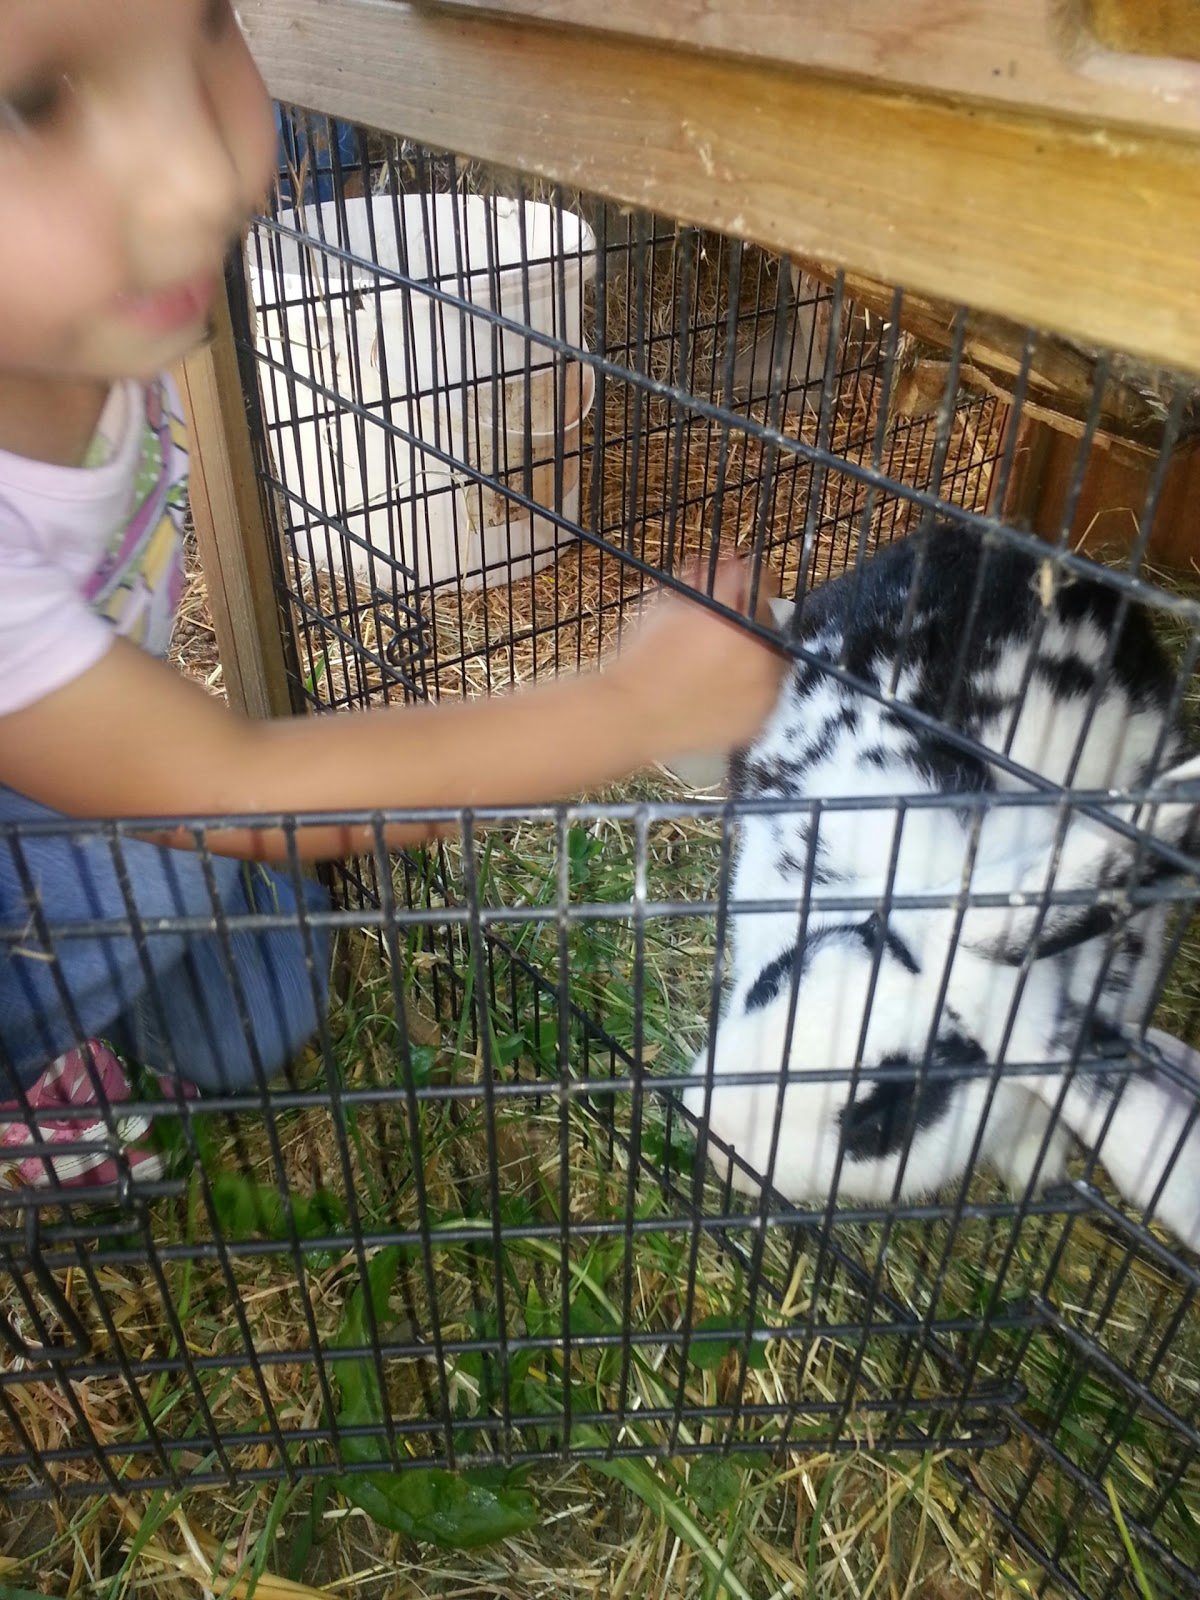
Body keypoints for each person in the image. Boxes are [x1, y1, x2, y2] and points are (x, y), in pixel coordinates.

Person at [0, 0, 785, 1191]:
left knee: (266, 1006)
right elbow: (224, 789)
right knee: (174, 839)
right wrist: (634, 705)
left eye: (207, 21)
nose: (204, 174)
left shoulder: (94, 330)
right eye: (32, 102)